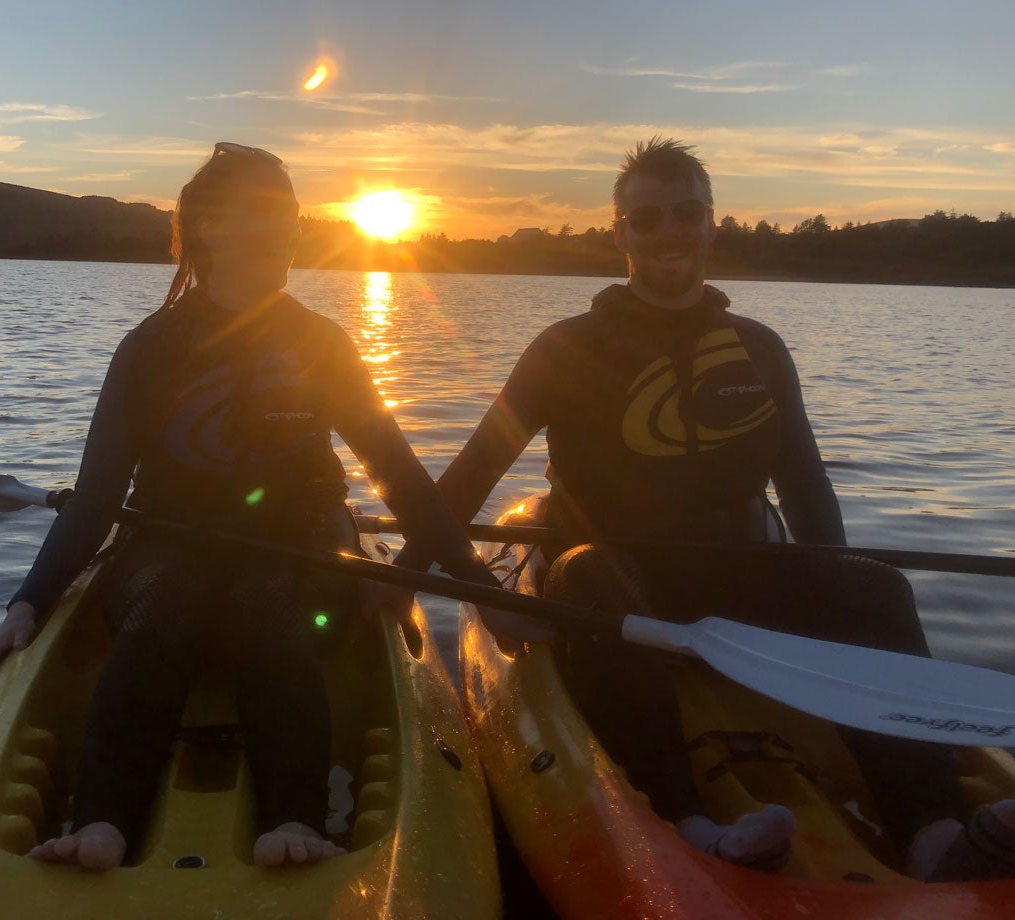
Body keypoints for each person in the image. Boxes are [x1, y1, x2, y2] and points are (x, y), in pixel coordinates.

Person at [398, 138, 1015, 881]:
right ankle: (688, 820)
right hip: (617, 588)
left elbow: (806, 488)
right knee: (591, 573)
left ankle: (931, 831)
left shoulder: (760, 348)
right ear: (620, 234)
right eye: (647, 217)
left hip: (739, 574)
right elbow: (467, 479)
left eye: (685, 212)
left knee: (876, 585)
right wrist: (457, 585)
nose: (669, 231)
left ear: (710, 223)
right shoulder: (564, 348)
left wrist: (833, 584)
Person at [0, 142, 499, 871]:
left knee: (265, 604)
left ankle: (292, 818)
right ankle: (102, 823)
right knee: (169, 600)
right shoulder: (149, 348)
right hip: (168, 546)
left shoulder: (321, 343)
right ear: (208, 225)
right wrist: (27, 603)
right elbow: (95, 500)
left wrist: (474, 586)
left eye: (291, 211)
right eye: (263, 210)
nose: (286, 227)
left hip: (300, 546)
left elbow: (405, 484)